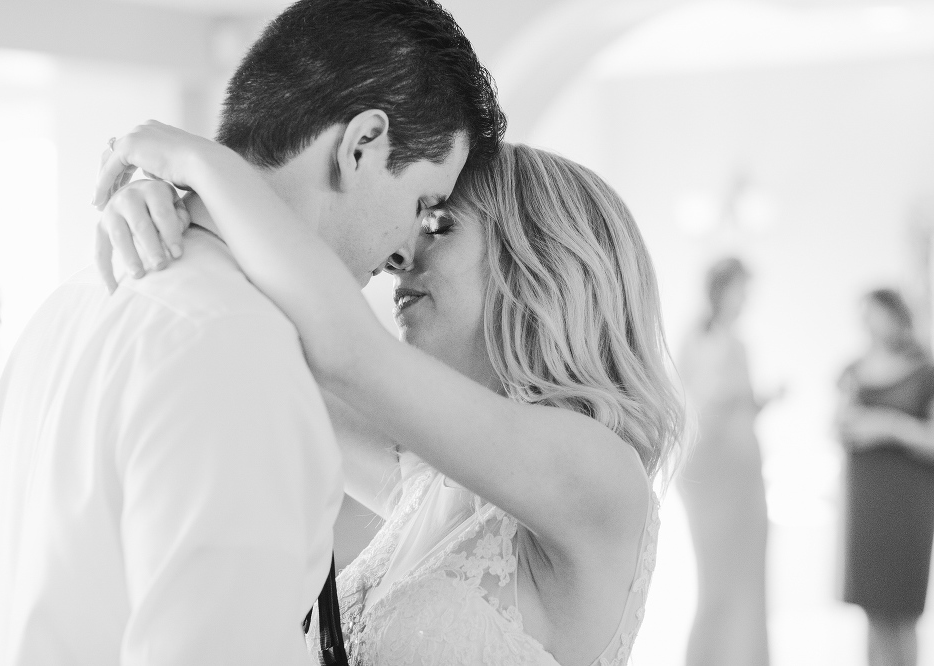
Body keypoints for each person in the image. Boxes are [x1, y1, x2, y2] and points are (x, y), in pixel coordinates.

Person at [0, 2, 504, 665]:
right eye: (420, 205)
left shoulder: (72, 304)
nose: (402, 254)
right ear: (363, 144)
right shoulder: (236, 347)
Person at [91, 117, 684, 664]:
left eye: (439, 226)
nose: (401, 256)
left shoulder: (601, 475)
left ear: (537, 263)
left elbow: (345, 351)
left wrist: (203, 166)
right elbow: (269, 335)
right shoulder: (426, 479)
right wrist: (169, 217)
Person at [675, 257, 770, 666]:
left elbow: (744, 409)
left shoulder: (740, 344)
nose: (746, 299)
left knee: (749, 579)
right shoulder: (694, 340)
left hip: (744, 469)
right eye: (741, 289)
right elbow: (689, 406)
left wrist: (760, 400)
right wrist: (732, 398)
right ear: (722, 290)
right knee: (715, 579)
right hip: (709, 468)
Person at [837, 288, 934, 666]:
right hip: (866, 499)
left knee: (903, 611)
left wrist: (889, 426)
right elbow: (839, 426)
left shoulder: (926, 372)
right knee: (872, 610)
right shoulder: (852, 370)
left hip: (908, 499)